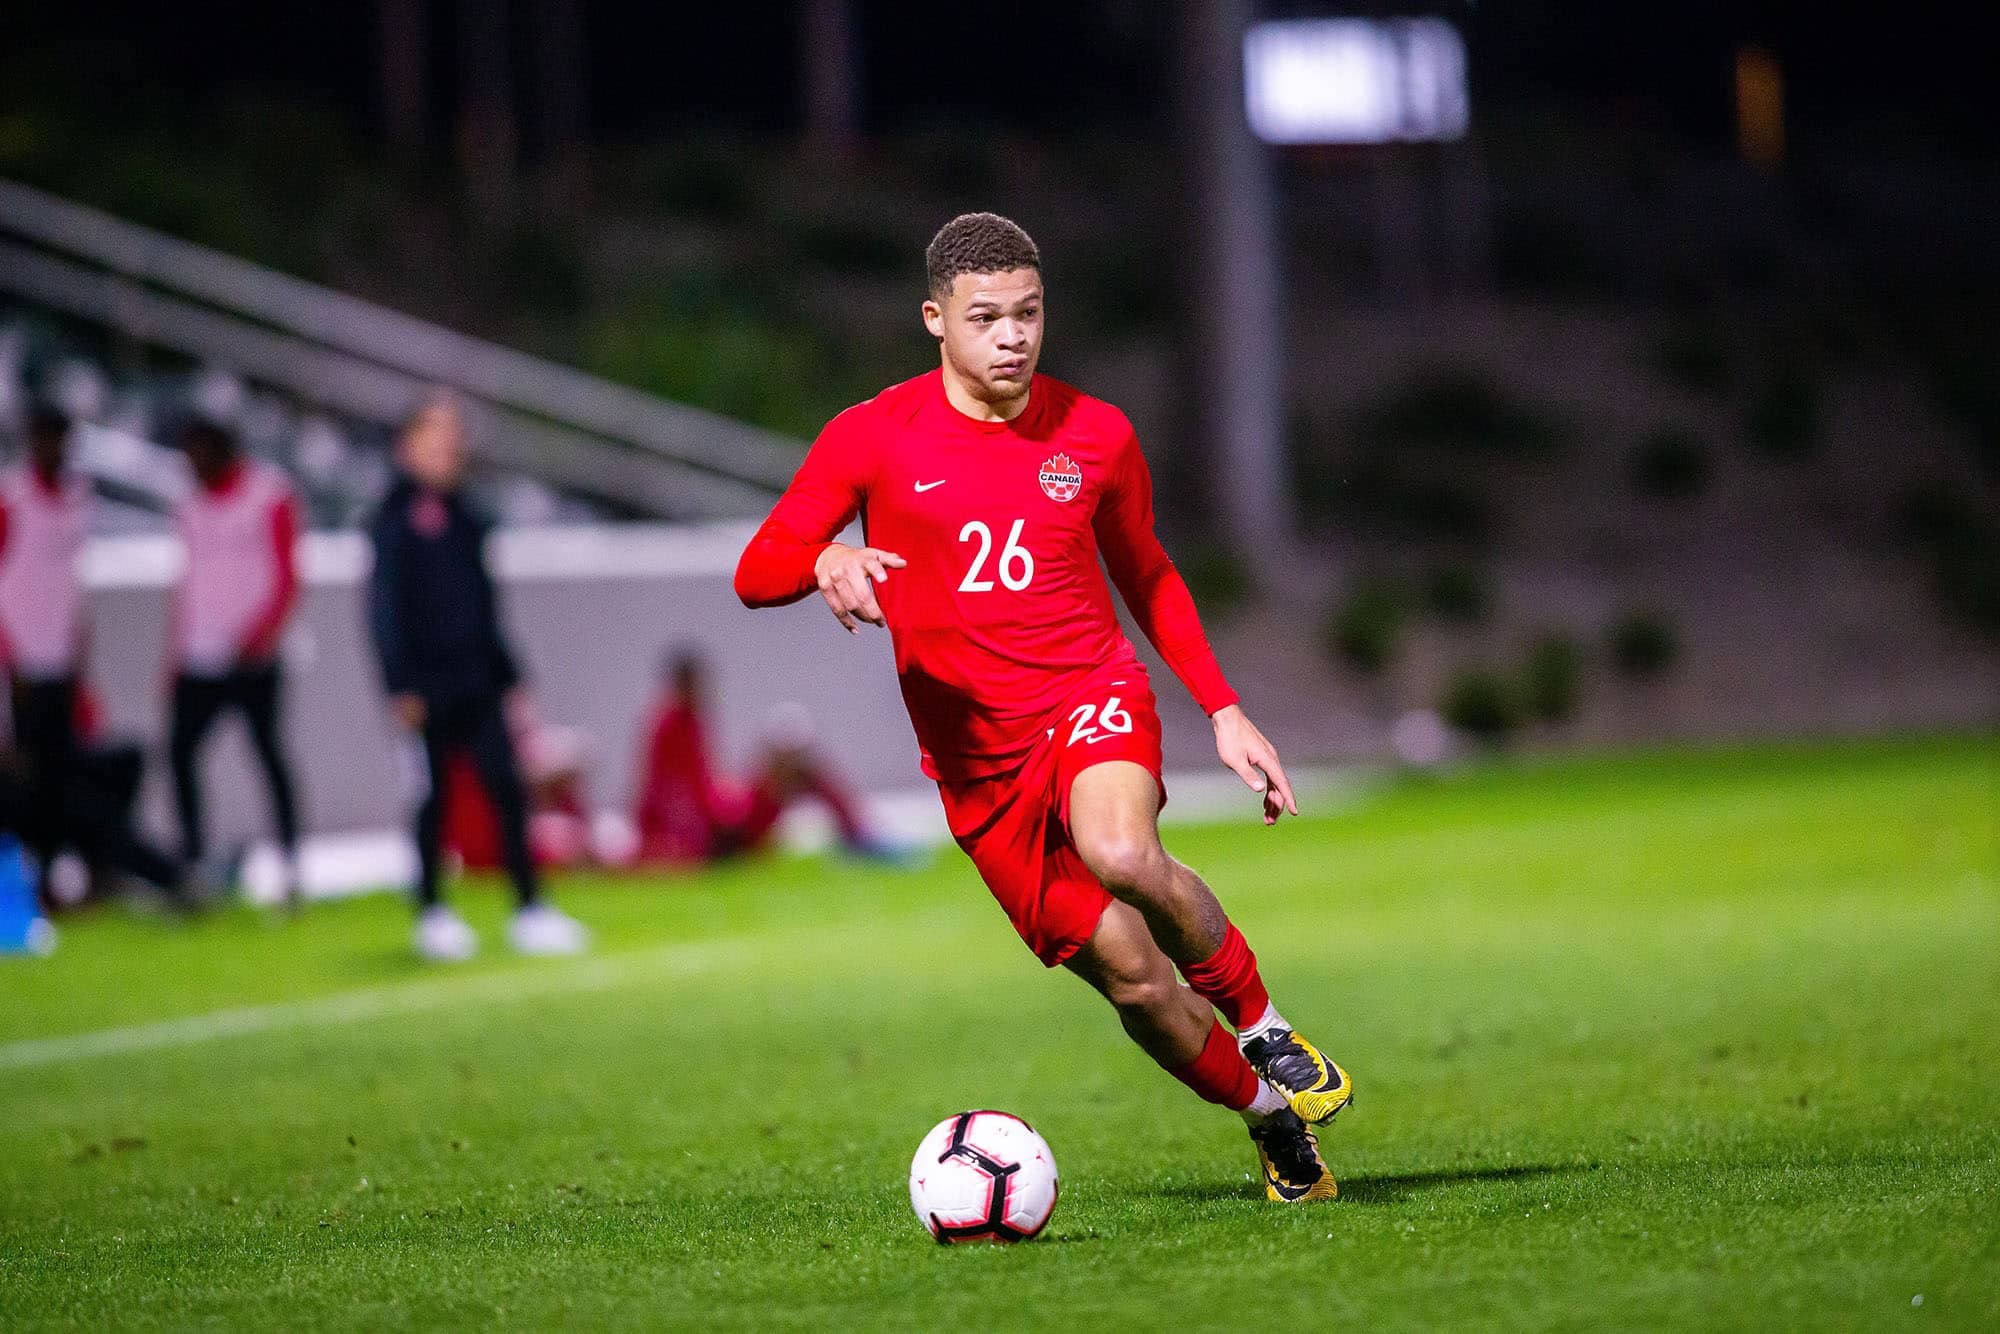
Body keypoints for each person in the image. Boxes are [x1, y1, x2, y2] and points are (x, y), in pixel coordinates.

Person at [734, 213, 1352, 1203]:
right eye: (986, 318)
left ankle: (1266, 1027)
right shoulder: (871, 434)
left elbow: (1146, 573)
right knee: (1134, 979)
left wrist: (1222, 707)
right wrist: (823, 557)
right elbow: (754, 569)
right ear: (935, 319)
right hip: (978, 767)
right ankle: (1269, 1120)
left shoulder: (1093, 431)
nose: (1012, 336)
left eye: (1027, 313)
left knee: (1118, 848)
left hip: (1086, 691)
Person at [366, 393, 587, 961]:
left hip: (477, 681)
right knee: (431, 798)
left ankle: (529, 907)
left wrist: (510, 673)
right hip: (426, 685)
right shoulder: (392, 520)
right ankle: (433, 911)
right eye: (434, 438)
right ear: (407, 445)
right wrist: (399, 685)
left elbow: (485, 605)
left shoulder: (467, 516)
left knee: (507, 791)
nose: (448, 450)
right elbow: (383, 609)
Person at [1, 407, 187, 907]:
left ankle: (86, 876)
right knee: (32, 787)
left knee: (65, 783)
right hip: (18, 672)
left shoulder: (77, 500)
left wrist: (79, 662)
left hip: (60, 667)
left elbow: (69, 594)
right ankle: (41, 881)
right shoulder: (11, 500)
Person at [166, 417, 304, 902]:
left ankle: (290, 862)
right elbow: (188, 583)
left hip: (253, 659)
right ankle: (195, 862)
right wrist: (175, 654)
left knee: (267, 755)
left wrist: (261, 634)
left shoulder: (269, 494)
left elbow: (288, 574)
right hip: (199, 656)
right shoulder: (188, 506)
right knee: (181, 752)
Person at [632, 649, 884, 865]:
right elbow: (670, 792)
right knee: (799, 773)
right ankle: (860, 838)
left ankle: (858, 835)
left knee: (802, 772)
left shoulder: (690, 720)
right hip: (704, 829)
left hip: (711, 816)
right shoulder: (669, 723)